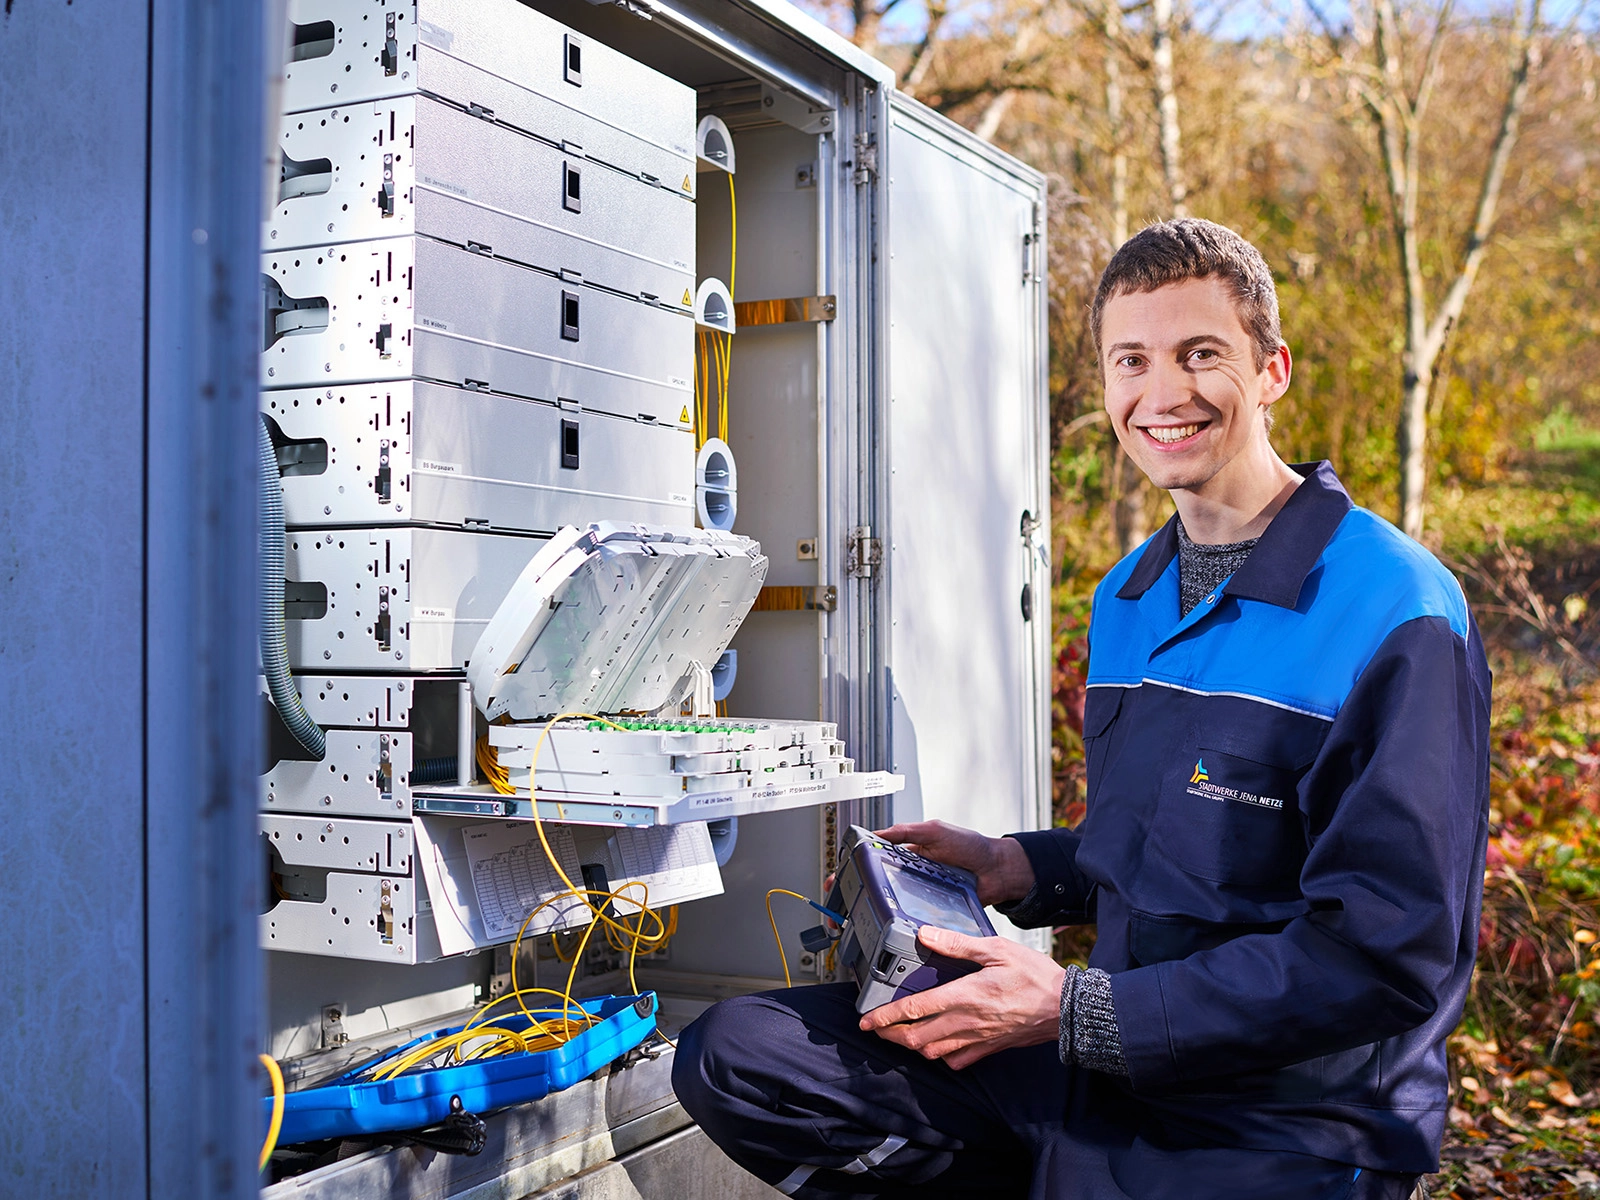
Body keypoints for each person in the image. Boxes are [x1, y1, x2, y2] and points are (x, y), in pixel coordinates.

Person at [672, 218, 1491, 1200]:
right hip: (1111, 1073)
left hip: (1287, 1122)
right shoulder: (1131, 597)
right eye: (1130, 361)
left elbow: (1386, 956)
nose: (1164, 393)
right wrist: (1019, 865)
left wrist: (1075, 1009)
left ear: (1270, 370)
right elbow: (1167, 846)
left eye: (1201, 356)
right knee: (745, 1053)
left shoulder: (1394, 606)